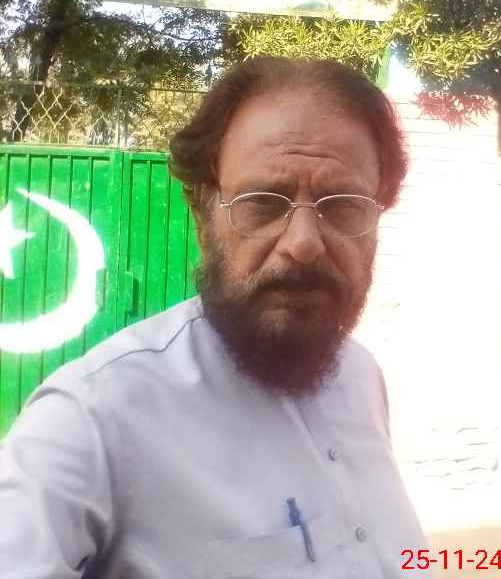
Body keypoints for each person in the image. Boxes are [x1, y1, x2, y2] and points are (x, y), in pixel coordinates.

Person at [0, 55, 430, 578]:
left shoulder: (362, 377)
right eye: (263, 204)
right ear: (203, 216)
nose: (303, 244)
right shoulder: (92, 419)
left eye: (343, 207)